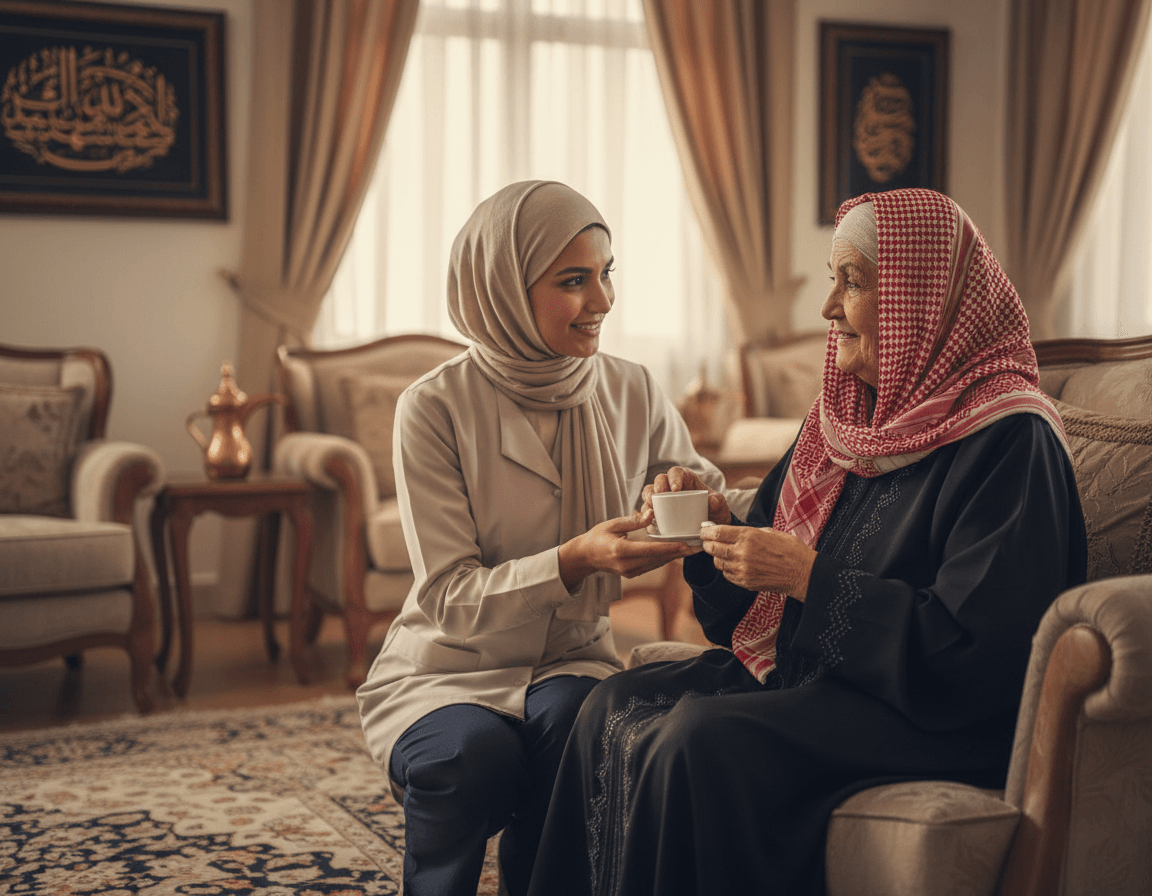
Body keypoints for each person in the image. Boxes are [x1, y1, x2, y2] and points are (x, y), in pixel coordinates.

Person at [527, 188, 1088, 896]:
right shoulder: (845, 420)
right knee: (609, 704)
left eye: (852, 282)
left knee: (700, 743)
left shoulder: (1010, 440)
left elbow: (977, 658)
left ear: (918, 301)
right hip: (822, 679)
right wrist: (706, 534)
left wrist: (808, 581)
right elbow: (751, 606)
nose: (828, 307)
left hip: (932, 714)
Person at [356, 180, 746, 896]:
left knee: (581, 730)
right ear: (502, 289)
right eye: (574, 280)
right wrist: (575, 561)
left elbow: (709, 495)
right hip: (447, 666)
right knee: (470, 758)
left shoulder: (631, 389)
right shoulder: (434, 409)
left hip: (571, 656)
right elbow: (447, 596)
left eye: (606, 274)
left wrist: (694, 496)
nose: (602, 301)